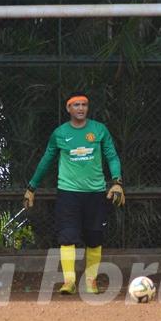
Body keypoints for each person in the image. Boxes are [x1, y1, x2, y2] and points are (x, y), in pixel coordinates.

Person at [23, 91, 124, 295]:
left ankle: (91, 281)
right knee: (67, 237)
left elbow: (112, 156)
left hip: (96, 193)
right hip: (68, 193)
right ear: (68, 108)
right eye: (76, 105)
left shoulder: (99, 130)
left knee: (95, 238)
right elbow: (46, 160)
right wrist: (31, 188)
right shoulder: (60, 133)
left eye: (84, 105)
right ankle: (69, 281)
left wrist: (117, 182)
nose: (80, 108)